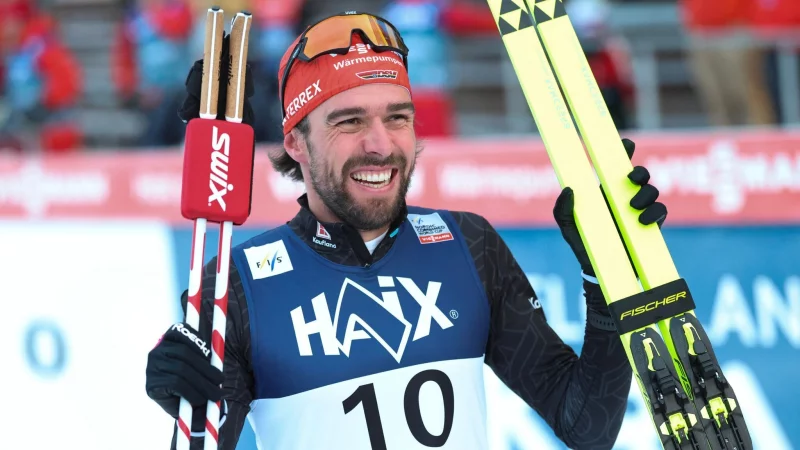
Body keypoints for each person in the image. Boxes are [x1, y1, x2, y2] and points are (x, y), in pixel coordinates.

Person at [146, 11, 668, 450]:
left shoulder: (469, 246)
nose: (380, 144)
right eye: (348, 122)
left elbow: (586, 427)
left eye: (398, 118)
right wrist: (185, 403)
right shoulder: (236, 286)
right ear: (298, 143)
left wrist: (607, 284)